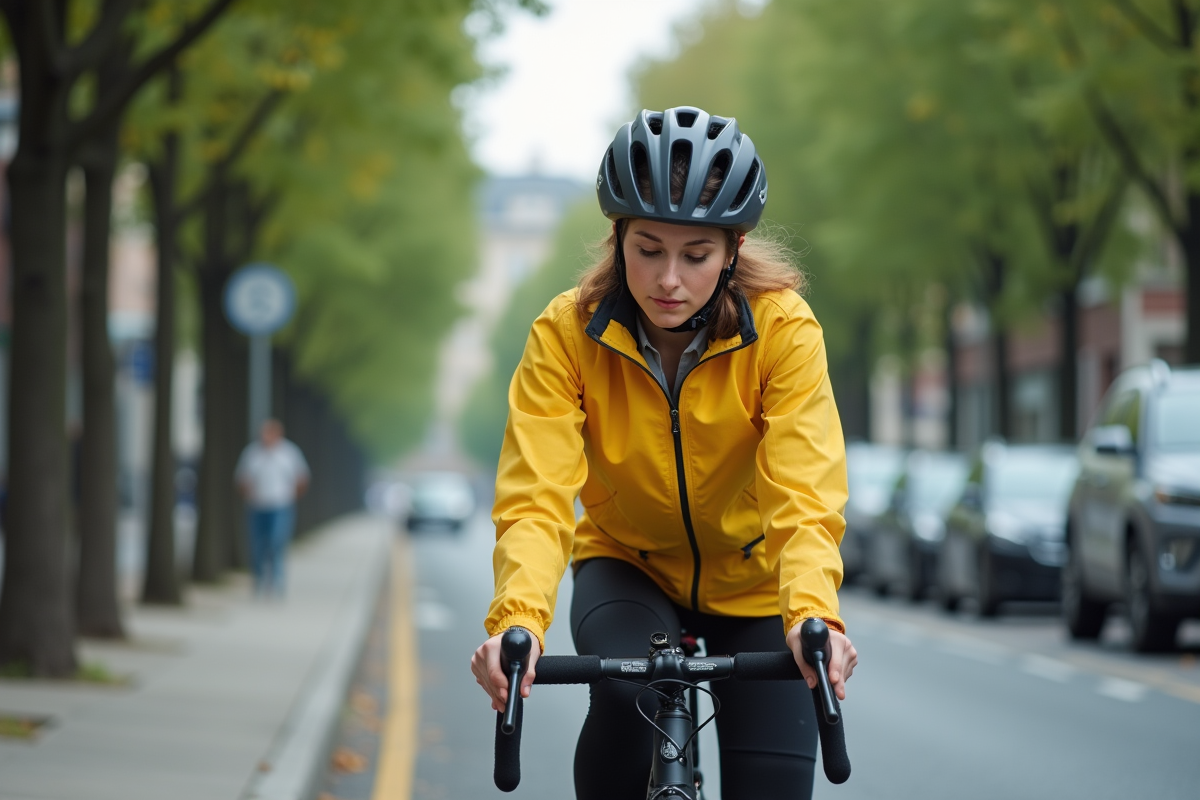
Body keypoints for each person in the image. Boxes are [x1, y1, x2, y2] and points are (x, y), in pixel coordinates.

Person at [471, 106, 858, 799]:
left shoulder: (784, 331)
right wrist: (517, 623)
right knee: (625, 700)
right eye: (648, 249)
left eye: (696, 255)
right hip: (627, 566)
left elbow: (806, 492)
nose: (669, 280)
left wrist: (811, 616)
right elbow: (536, 496)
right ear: (618, 240)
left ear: (733, 248)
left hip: (757, 583)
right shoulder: (565, 334)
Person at [235, 419, 310, 595]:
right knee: (257, 545)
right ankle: (259, 580)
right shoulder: (252, 453)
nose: (266, 437)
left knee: (277, 542)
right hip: (257, 507)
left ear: (278, 434)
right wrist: (248, 494)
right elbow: (242, 479)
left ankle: (277, 582)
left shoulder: (289, 453)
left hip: (281, 507)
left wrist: (291, 497)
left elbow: (302, 478)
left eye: (269, 433)